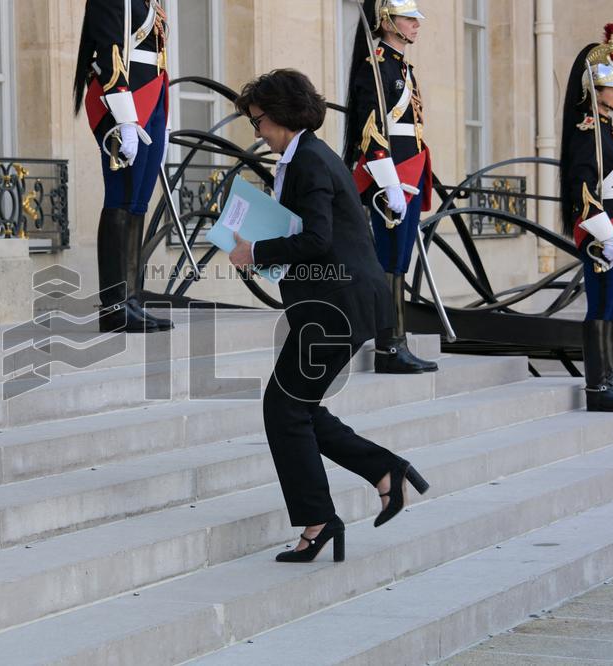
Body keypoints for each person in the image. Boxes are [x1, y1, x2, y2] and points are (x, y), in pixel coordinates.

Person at [228, 69, 430, 563]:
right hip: (334, 303)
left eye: (258, 121)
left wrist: (256, 250)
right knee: (296, 407)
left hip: (336, 306)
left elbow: (317, 239)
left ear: (281, 115)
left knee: (284, 408)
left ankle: (321, 521)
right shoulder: (307, 158)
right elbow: (317, 235)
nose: (257, 132)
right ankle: (385, 473)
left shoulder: (310, 163)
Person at [345, 0, 437, 374]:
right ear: (386, 21)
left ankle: (396, 339)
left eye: (415, 19)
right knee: (390, 263)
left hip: (408, 174)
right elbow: (371, 130)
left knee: (399, 262)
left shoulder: (400, 66)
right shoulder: (377, 64)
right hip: (391, 179)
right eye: (407, 18)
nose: (415, 24)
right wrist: (389, 183)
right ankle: (389, 344)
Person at [560, 24, 613, 412]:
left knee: (612, 305)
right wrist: (604, 234)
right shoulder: (587, 132)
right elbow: (583, 188)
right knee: (600, 306)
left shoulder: (609, 131)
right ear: (594, 92)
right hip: (603, 233)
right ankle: (597, 387)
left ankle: (608, 380)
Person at [72, 0, 173, 333]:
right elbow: (110, 53)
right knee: (121, 198)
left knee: (139, 201)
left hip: (153, 96)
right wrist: (125, 118)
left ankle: (131, 298)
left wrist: (163, 115)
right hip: (127, 101)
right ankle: (114, 308)